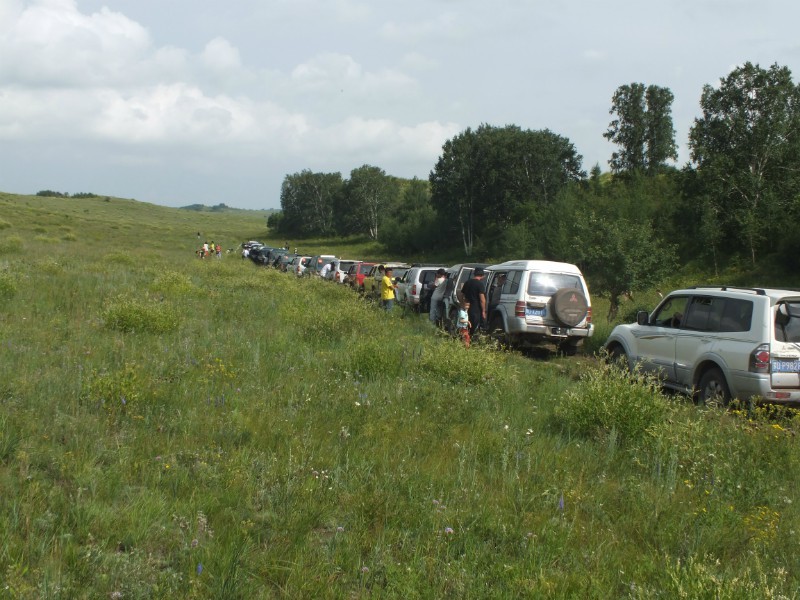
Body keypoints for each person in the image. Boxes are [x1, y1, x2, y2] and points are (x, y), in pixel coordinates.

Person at [459, 267, 487, 336]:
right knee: (474, 325)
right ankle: (471, 339)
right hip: (476, 308)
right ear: (482, 275)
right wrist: (483, 311)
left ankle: (464, 338)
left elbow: (461, 294)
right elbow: (482, 299)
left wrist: (462, 303)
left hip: (467, 306)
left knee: (466, 323)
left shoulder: (467, 282)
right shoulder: (480, 284)